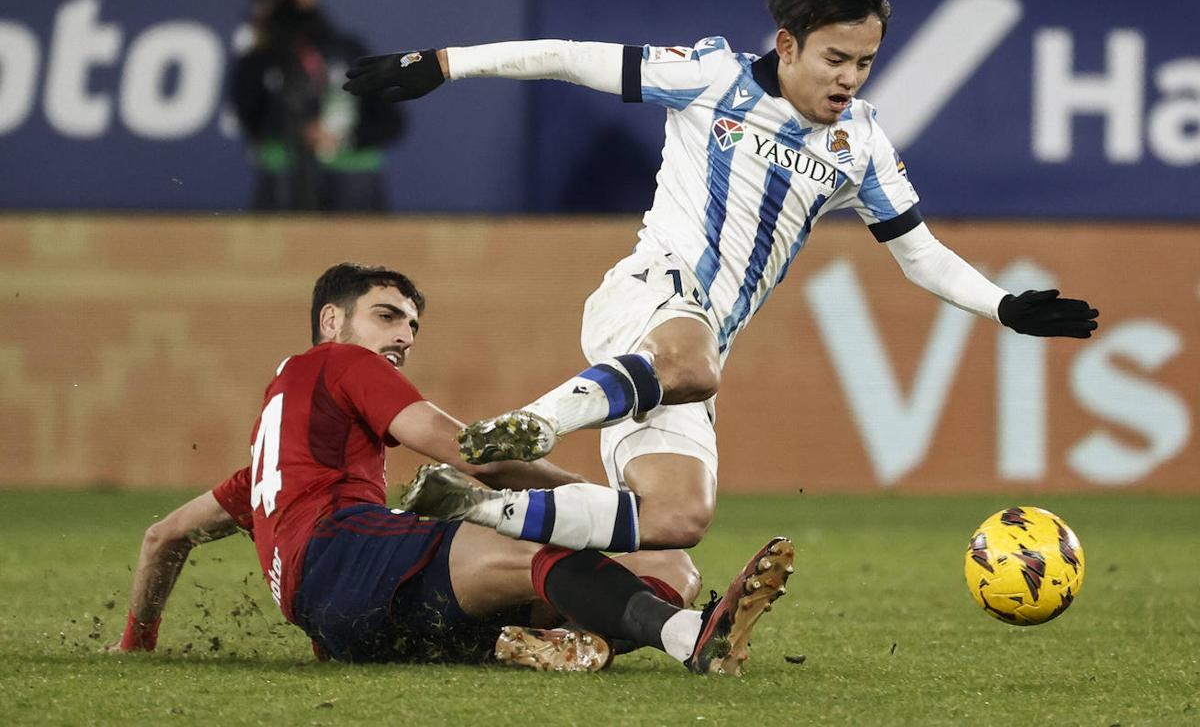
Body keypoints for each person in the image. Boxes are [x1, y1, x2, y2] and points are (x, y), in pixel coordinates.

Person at [343, 0, 1100, 556]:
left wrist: (1003, 304)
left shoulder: (861, 141)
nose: (850, 78)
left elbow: (919, 253)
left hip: (686, 354)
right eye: (837, 58)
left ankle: (471, 501)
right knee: (692, 362)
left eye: (865, 62)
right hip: (649, 296)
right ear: (788, 43)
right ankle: (528, 427)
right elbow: (569, 57)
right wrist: (443, 63)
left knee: (677, 519)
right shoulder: (709, 77)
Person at [110, 262, 794, 675]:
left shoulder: (268, 471)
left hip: (354, 625)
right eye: (386, 316)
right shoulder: (338, 363)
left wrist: (138, 641)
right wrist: (600, 503)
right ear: (330, 321)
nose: (403, 337)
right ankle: (688, 638)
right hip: (348, 560)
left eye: (411, 326)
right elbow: (472, 453)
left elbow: (163, 537)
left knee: (668, 570)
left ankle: (520, 643)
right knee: (531, 540)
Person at [232, 0, 405, 212]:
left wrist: (344, 138)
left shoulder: (347, 49)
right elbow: (248, 113)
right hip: (285, 170)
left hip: (351, 171)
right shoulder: (262, 55)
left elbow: (391, 120)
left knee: (353, 250)